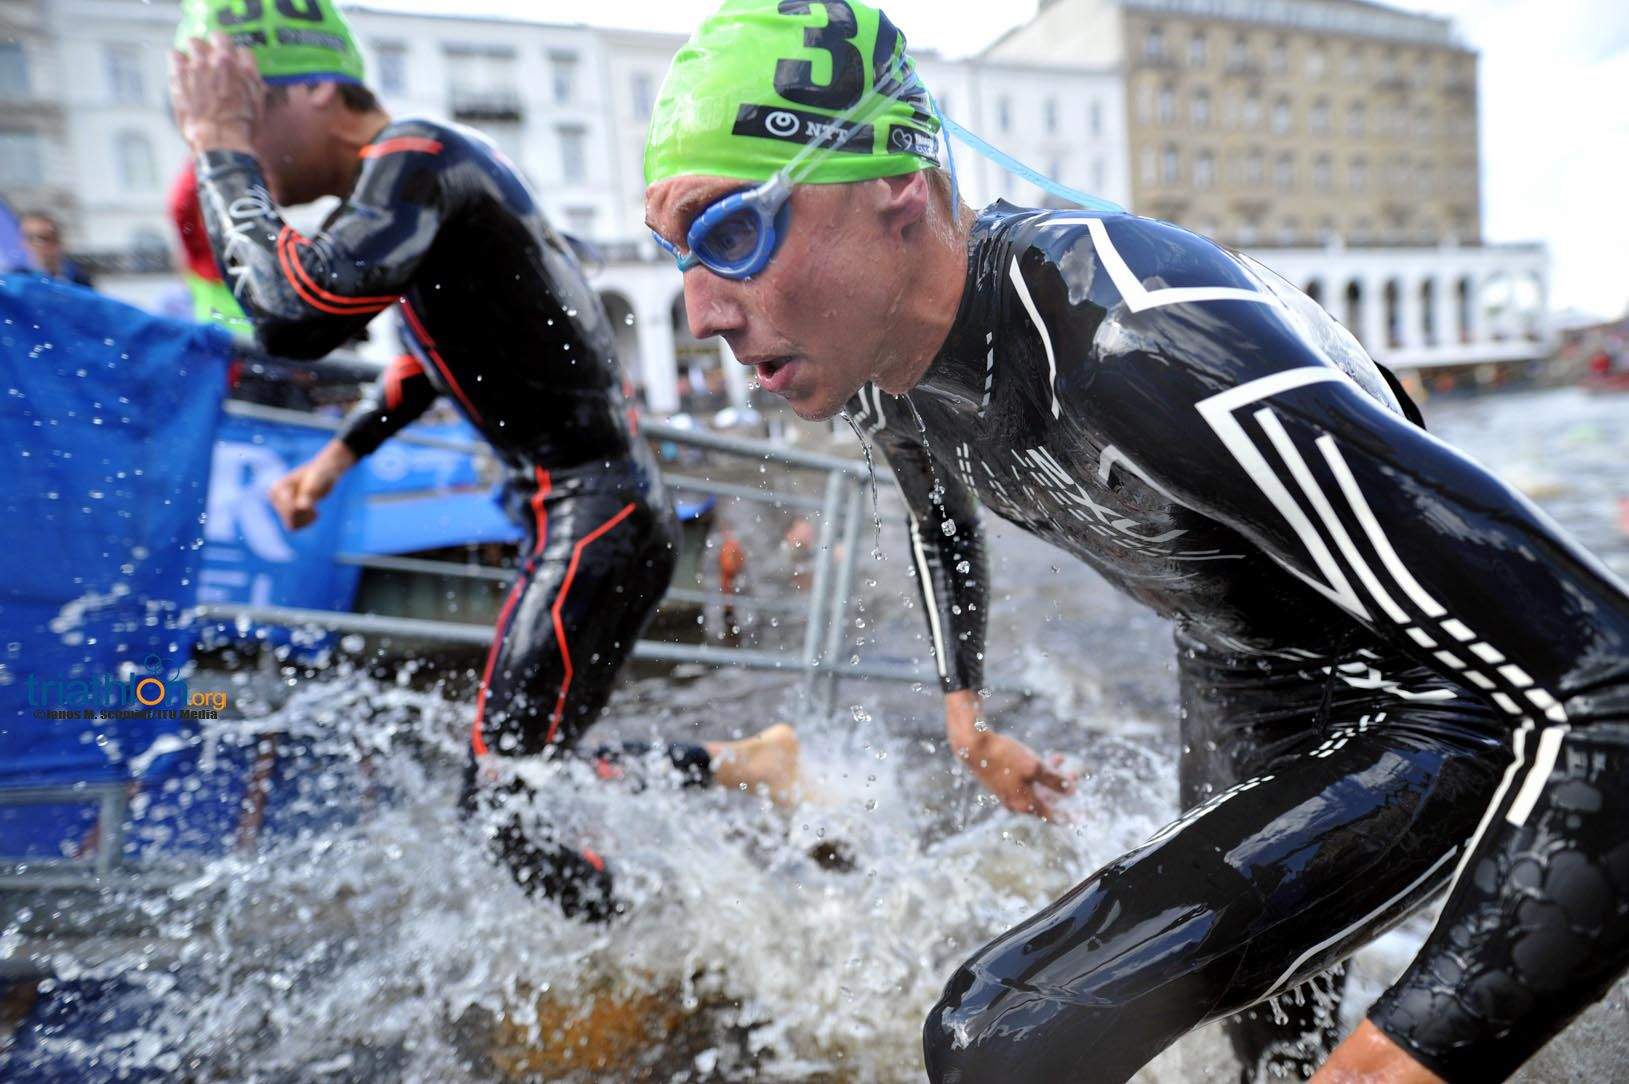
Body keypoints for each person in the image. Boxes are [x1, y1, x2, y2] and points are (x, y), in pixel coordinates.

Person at [643, 2, 1629, 1081]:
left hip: (1443, 696)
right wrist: (967, 718)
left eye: (731, 233)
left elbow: (1605, 678)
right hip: (1243, 667)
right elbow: (937, 518)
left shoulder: (1133, 340)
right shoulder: (883, 378)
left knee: (1001, 1033)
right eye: (676, 256)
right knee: (1272, 1038)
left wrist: (1412, 1053)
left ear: (896, 185)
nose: (700, 312)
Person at [168, 0, 803, 922]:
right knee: (514, 780)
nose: (238, 145)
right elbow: (431, 363)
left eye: (242, 108)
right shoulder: (420, 192)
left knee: (501, 804)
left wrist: (219, 149)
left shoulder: (418, 159)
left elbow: (296, 310)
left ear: (311, 87)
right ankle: (742, 775)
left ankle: (640, 950)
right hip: (586, 516)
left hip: (597, 518)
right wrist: (333, 463)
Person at [17, 212, 95, 289]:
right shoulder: (18, 282)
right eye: (30, 238)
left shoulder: (79, 280)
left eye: (42, 238)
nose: (36, 244)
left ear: (57, 241)